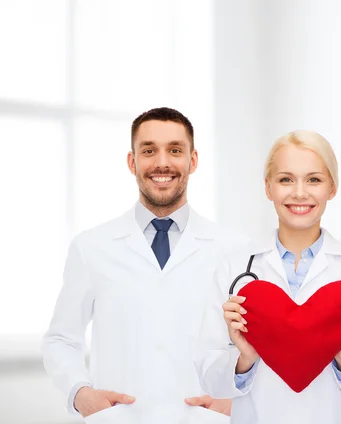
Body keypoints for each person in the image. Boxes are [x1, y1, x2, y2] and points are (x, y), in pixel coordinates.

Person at [42, 107, 245, 423]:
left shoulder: (233, 250)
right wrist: (80, 395)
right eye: (149, 150)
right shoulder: (92, 246)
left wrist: (237, 402)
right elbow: (62, 339)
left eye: (175, 150)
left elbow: (257, 344)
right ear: (131, 162)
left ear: (192, 161)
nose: (162, 162)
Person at [196, 130, 341, 424]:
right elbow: (210, 379)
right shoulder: (233, 270)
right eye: (286, 179)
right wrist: (245, 357)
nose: (299, 192)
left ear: (332, 188)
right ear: (268, 188)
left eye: (314, 179)